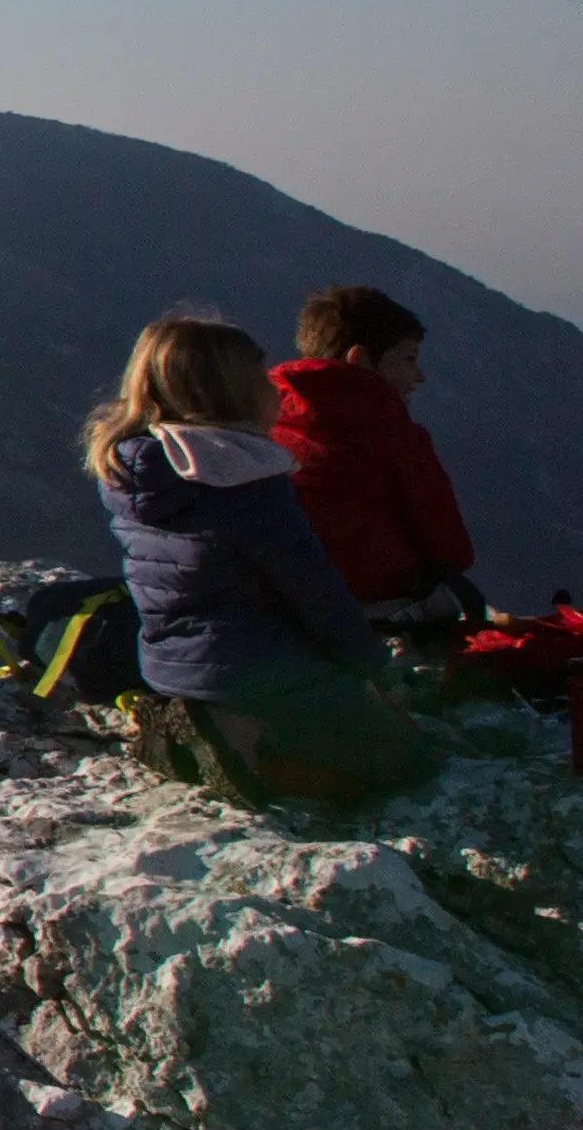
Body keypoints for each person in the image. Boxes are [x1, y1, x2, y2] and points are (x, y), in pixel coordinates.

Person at [88, 313, 430, 797]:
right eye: (262, 381)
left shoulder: (134, 466)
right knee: (407, 762)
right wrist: (369, 664)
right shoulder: (243, 480)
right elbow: (313, 588)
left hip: (167, 665)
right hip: (255, 668)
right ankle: (254, 749)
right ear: (231, 392)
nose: (277, 392)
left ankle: (198, 729)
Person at [270, 283, 482, 634]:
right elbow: (452, 550)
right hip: (378, 618)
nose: (419, 376)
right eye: (408, 359)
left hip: (287, 618)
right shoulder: (393, 437)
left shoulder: (268, 426)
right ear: (360, 360)